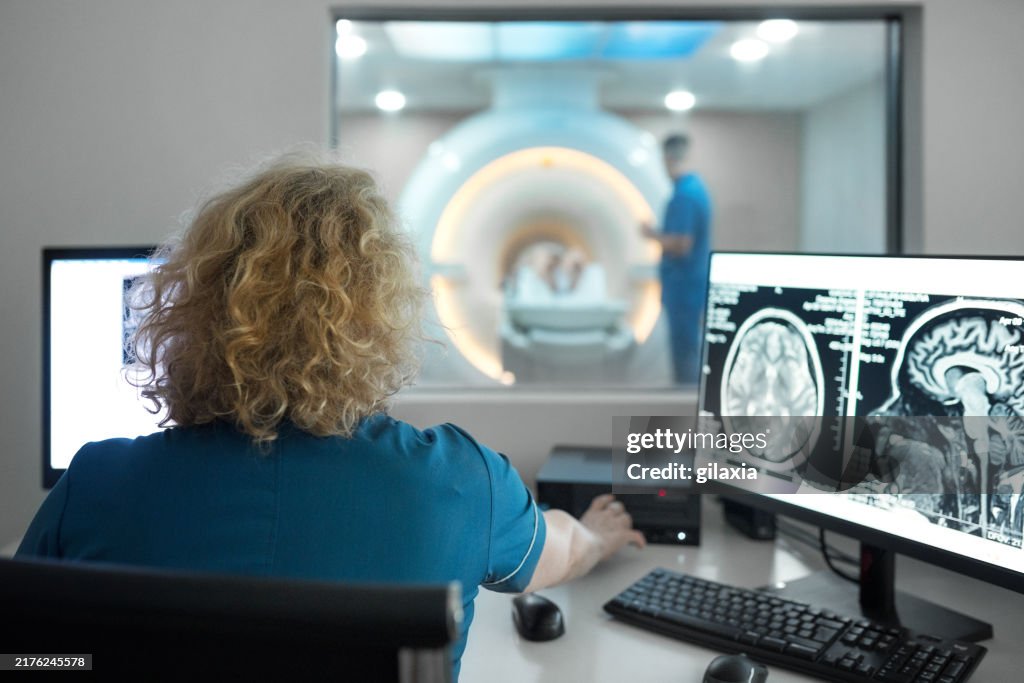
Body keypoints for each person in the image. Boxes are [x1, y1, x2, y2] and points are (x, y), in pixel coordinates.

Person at [16, 152, 645, 677]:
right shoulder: (458, 483)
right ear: (381, 317)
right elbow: (558, 552)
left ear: (196, 306)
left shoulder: (96, 484)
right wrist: (597, 533)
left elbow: (25, 656)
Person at [641, 133, 712, 384]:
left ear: (668, 158)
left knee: (685, 353)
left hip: (684, 288)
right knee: (688, 349)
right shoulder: (696, 189)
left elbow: (682, 244)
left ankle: (684, 410)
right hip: (689, 284)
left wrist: (651, 235)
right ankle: (686, 401)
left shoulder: (684, 195)